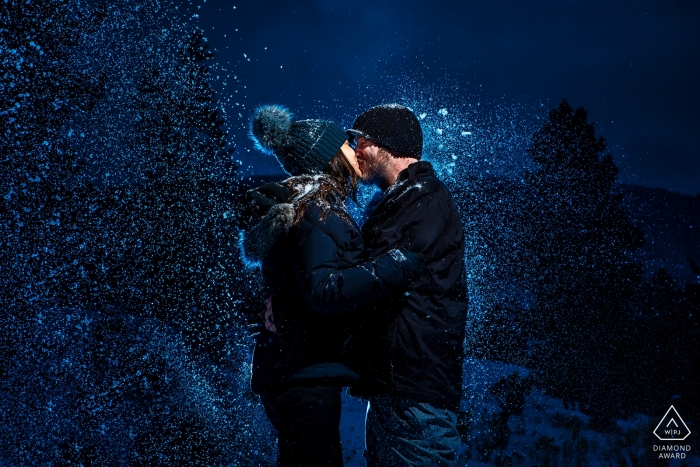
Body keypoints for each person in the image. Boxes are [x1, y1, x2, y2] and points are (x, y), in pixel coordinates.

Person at [240, 104, 424, 467]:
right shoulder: (317, 211)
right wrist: (398, 264)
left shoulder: (307, 206)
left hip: (297, 368)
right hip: (304, 373)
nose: (354, 149)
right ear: (326, 157)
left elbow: (301, 284)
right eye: (345, 144)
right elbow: (324, 290)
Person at [344, 104, 468, 467]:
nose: (354, 151)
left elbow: (380, 276)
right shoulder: (399, 200)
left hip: (416, 398)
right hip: (392, 392)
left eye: (358, 140)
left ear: (386, 143)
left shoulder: (425, 197)